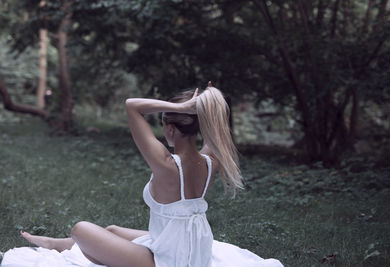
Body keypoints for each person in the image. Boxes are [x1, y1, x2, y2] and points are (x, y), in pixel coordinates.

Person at [1, 83, 283, 267]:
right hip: (190, 248)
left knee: (81, 228)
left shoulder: (166, 164)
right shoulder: (211, 161)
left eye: (164, 125)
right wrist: (207, 104)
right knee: (111, 231)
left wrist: (178, 107)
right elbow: (218, 124)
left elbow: (132, 105)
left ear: (170, 129)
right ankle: (54, 244)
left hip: (166, 260)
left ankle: (65, 243)